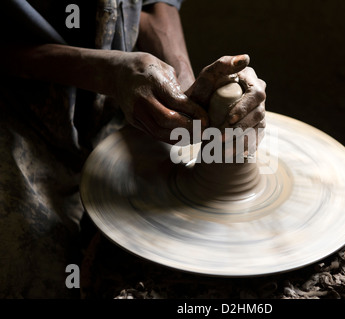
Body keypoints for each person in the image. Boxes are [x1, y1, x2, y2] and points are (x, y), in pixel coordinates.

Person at [0, 0, 266, 298]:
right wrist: (105, 72)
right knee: (37, 272)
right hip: (14, 102)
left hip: (120, 92)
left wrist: (185, 85)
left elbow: (151, 6)